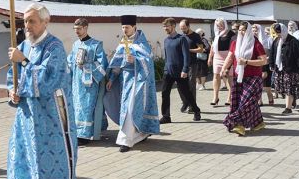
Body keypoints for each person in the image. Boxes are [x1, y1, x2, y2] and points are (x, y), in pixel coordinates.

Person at [6, 3, 82, 179]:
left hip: (52, 117)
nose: (27, 26)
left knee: (57, 159)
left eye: (32, 21)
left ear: (45, 22)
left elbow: (49, 81)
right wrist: (13, 91)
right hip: (27, 116)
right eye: (25, 21)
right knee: (24, 159)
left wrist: (25, 61)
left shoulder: (54, 47)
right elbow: (13, 77)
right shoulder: (23, 45)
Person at [107, 15, 159, 152]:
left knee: (130, 110)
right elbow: (117, 64)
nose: (125, 30)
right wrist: (112, 79)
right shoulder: (123, 43)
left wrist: (135, 59)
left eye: (127, 27)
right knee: (126, 110)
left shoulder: (142, 43)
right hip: (126, 81)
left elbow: (148, 61)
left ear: (134, 27)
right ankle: (141, 133)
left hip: (139, 81)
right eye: (123, 27)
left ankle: (126, 141)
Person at [221, 22, 267, 135]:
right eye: (240, 30)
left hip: (254, 78)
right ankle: (258, 123)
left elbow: (264, 60)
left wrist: (247, 62)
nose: (241, 32)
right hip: (239, 77)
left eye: (243, 30)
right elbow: (230, 56)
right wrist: (223, 68)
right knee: (244, 102)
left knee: (246, 102)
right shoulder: (235, 43)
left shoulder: (256, 43)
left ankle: (237, 123)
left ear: (249, 31)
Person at [67, 18, 108, 145]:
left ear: (85, 27)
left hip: (89, 84)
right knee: (77, 107)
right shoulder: (75, 44)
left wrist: (86, 65)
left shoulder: (96, 45)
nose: (77, 32)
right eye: (75, 29)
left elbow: (103, 65)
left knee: (87, 108)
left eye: (79, 29)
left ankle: (84, 136)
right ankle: (78, 133)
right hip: (76, 83)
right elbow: (70, 61)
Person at [160, 18, 201, 124]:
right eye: (164, 26)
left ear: (173, 26)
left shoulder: (181, 39)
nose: (165, 28)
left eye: (167, 26)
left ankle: (196, 110)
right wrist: (165, 69)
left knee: (187, 93)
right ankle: (166, 116)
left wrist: (185, 70)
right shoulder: (166, 40)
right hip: (168, 72)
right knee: (164, 93)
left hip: (180, 72)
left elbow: (186, 56)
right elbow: (167, 57)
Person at [269, 23, 299, 114]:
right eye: (277, 32)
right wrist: (271, 64)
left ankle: (288, 108)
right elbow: (272, 53)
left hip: (291, 69)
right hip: (279, 69)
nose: (278, 34)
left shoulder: (293, 41)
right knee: (282, 88)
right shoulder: (276, 40)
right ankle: (292, 99)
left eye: (279, 32)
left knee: (289, 88)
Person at [207, 18, 235, 106]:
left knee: (230, 77)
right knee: (216, 76)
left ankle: (229, 98)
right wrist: (210, 57)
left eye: (221, 24)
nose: (220, 26)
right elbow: (212, 47)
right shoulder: (216, 34)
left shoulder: (231, 34)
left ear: (225, 24)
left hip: (228, 57)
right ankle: (215, 97)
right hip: (217, 57)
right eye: (218, 25)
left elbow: (234, 47)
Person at [179, 19, 205, 112]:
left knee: (191, 85)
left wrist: (188, 50)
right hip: (181, 64)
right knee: (181, 85)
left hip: (192, 64)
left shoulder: (195, 36)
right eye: (181, 28)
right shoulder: (181, 36)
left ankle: (192, 106)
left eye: (184, 28)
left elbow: (201, 49)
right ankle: (185, 102)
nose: (183, 30)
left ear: (188, 26)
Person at [252, 24, 274, 105]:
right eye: (253, 31)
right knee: (257, 84)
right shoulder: (251, 41)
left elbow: (272, 53)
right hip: (255, 65)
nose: (255, 32)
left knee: (266, 85)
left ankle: (270, 96)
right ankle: (259, 100)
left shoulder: (268, 40)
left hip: (265, 64)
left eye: (256, 30)